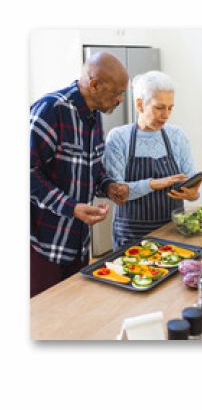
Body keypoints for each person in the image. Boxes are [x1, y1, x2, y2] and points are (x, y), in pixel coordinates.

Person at [30, 52, 129, 297]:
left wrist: (108, 186)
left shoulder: (95, 115)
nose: (120, 100)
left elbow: (93, 170)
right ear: (94, 85)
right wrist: (71, 207)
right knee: (45, 322)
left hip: (79, 245)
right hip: (43, 245)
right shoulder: (50, 110)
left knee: (74, 316)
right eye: (116, 93)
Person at [103, 70, 202, 250]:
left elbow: (190, 182)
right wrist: (153, 184)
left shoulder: (177, 136)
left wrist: (193, 194)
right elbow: (116, 192)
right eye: (159, 107)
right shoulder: (119, 138)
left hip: (172, 232)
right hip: (131, 236)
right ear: (140, 104)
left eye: (170, 107)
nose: (166, 115)